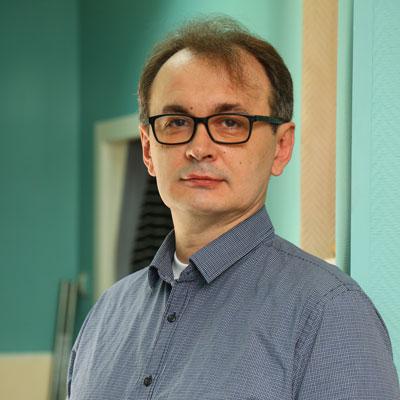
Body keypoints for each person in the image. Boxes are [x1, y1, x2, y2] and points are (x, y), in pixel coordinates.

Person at [67, 16, 400, 399]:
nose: (199, 148)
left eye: (230, 122)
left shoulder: (329, 314)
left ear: (281, 147)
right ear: (147, 149)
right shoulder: (106, 315)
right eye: (176, 122)